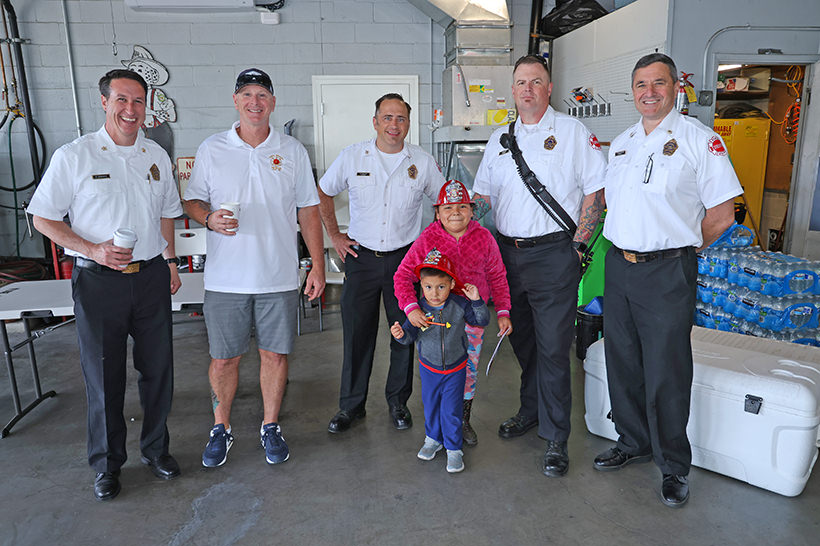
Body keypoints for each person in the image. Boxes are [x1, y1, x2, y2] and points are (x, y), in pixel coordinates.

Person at [594, 53, 741, 507]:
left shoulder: (700, 140)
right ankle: (633, 440)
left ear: (676, 88)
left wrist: (682, 248)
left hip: (667, 270)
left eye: (659, 83)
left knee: (667, 369)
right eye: (641, 84)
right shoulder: (622, 144)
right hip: (618, 265)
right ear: (632, 91)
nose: (649, 92)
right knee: (622, 360)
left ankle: (674, 464)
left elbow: (722, 214)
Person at [28, 69, 183, 501]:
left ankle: (156, 450)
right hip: (98, 282)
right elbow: (43, 218)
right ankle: (107, 465)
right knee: (102, 376)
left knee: (158, 371)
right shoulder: (75, 156)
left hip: (150, 277)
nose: (131, 110)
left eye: (138, 101)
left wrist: (170, 261)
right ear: (104, 102)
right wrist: (92, 249)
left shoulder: (155, 155)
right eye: (122, 100)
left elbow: (167, 213)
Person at [183, 68, 325, 468]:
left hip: (277, 277)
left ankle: (270, 425)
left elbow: (308, 211)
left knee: (274, 356)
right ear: (235, 101)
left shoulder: (292, 150)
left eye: (262, 95)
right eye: (247, 94)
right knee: (223, 359)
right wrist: (208, 218)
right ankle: (221, 427)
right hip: (226, 280)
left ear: (273, 103)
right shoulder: (212, 148)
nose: (254, 102)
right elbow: (191, 201)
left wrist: (316, 266)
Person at [472, 54, 606, 477]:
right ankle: (531, 410)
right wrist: (454, 218)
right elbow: (484, 198)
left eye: (535, 81)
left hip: (554, 256)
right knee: (522, 340)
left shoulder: (572, 132)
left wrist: (578, 247)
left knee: (552, 348)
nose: (527, 89)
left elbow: (595, 192)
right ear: (512, 90)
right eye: (520, 82)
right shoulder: (499, 139)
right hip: (506, 256)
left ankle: (556, 436)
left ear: (549, 89)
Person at [318, 93, 445, 434]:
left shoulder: (421, 162)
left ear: (409, 123)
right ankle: (351, 406)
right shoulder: (352, 156)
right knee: (357, 334)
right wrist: (335, 235)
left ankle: (398, 402)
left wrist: (430, 245)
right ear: (375, 122)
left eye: (401, 118)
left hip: (405, 262)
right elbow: (323, 191)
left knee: (404, 332)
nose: (394, 124)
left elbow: (443, 202)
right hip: (360, 259)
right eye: (387, 117)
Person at [393, 179, 511, 446]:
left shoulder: (484, 238)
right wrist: (411, 308)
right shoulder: (427, 239)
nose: (455, 212)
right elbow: (402, 276)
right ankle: (436, 426)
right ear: (437, 213)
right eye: (447, 208)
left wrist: (503, 310)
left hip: (472, 319)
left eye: (462, 207)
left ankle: (462, 420)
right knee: (436, 370)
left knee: (468, 371)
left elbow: (497, 275)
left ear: (472, 211)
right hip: (434, 319)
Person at [390, 249, 489, 473]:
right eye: (428, 287)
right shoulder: (418, 310)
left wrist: (476, 300)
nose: (434, 293)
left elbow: (482, 320)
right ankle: (433, 439)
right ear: (421, 285)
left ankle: (454, 449)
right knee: (431, 405)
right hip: (429, 369)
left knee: (451, 409)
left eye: (441, 287)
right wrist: (400, 334)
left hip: (456, 369)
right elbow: (408, 337)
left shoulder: (460, 305)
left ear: (452, 284)